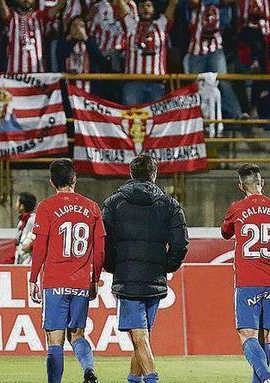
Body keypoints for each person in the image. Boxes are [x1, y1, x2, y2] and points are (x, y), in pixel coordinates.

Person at [102, 154, 189, 383]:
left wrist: (114, 267)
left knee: (139, 337)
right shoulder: (170, 205)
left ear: (131, 174)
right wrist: (166, 265)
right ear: (154, 174)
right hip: (155, 278)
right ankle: (133, 378)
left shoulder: (113, 204)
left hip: (127, 278)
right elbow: (181, 243)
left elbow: (103, 242)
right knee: (142, 336)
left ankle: (151, 379)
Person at [29, 159, 104, 383]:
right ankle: (89, 369)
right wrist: (95, 280)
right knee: (78, 334)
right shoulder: (92, 207)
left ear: (52, 182)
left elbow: (39, 247)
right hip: (81, 282)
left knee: (55, 339)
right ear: (74, 179)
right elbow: (99, 250)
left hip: (54, 282)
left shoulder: (46, 207)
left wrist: (33, 278)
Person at [220, 163, 270, 383]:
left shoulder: (237, 208)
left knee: (247, 335)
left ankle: (266, 378)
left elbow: (226, 232)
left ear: (240, 186)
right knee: (265, 336)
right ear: (262, 182)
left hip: (247, 281)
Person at [14, 191, 37, 264]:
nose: (16, 204)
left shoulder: (33, 220)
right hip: (21, 260)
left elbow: (42, 238)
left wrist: (31, 246)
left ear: (22, 206)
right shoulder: (21, 222)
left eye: (17, 201)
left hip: (30, 261)